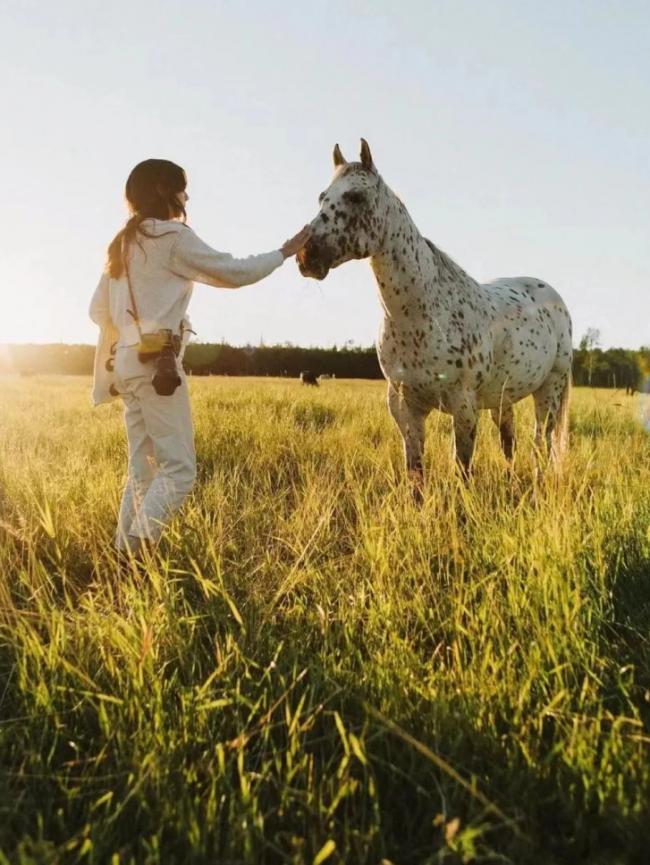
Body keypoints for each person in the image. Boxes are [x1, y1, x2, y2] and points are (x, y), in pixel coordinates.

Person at [89, 158, 310, 559]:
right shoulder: (173, 238)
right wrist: (284, 252)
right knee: (179, 469)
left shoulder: (121, 243)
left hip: (126, 364)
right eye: (181, 187)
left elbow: (97, 311)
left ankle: (122, 555)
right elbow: (233, 272)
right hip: (157, 365)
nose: (186, 196)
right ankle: (139, 551)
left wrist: (132, 333)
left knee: (143, 467)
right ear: (162, 190)